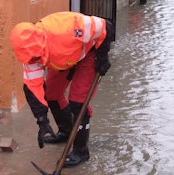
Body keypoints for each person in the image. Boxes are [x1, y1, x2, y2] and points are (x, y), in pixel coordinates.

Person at [10, 12, 113, 167]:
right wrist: (42, 121)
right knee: (52, 95)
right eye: (32, 59)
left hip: (88, 55)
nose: (34, 62)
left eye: (36, 58)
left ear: (41, 43)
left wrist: (103, 57)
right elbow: (33, 88)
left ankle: (81, 151)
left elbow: (105, 26)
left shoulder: (65, 29)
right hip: (62, 60)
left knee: (78, 103)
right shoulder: (30, 54)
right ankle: (66, 131)